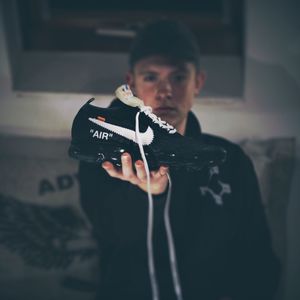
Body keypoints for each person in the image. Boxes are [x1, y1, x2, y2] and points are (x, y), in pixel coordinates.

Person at [78, 19, 280, 300]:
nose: (165, 91)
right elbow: (115, 234)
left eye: (178, 77)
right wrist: (152, 194)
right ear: (131, 84)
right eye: (151, 77)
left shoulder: (229, 161)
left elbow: (260, 262)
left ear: (197, 82)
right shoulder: (102, 156)